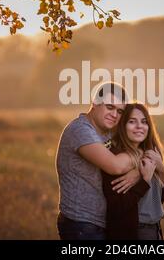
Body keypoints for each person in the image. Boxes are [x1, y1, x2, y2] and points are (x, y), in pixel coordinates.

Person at [56, 82, 147, 240]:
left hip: (103, 223)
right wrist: (139, 158)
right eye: (110, 107)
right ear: (95, 102)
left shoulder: (110, 133)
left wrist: (137, 171)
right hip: (81, 225)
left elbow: (145, 147)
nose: (114, 115)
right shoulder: (80, 130)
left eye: (120, 111)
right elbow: (115, 166)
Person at [102, 102, 164, 240]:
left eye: (144, 122)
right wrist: (143, 180)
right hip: (133, 232)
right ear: (122, 125)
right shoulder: (115, 159)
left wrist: (162, 169)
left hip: (155, 229)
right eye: (132, 121)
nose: (139, 126)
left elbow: (157, 199)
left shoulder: (151, 154)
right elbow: (117, 207)